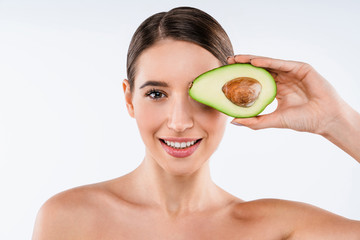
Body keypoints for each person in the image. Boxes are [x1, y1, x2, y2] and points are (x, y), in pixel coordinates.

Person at [32, 6, 360, 239]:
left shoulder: (278, 228)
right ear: (129, 99)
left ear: (233, 99)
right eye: (157, 94)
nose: (178, 122)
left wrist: (335, 119)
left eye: (201, 95)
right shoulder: (67, 218)